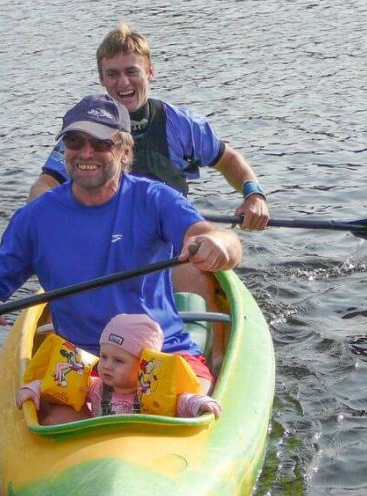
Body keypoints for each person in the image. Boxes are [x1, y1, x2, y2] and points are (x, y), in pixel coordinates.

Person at [0, 93, 242, 424]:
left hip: (164, 357)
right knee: (56, 425)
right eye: (75, 141)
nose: (86, 152)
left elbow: (223, 240)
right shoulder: (36, 217)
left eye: (101, 143)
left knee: (188, 417)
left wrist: (217, 244)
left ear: (125, 151)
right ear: (65, 151)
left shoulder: (155, 199)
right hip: (79, 363)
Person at [26, 22, 268, 329]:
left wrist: (253, 194)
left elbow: (228, 160)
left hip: (168, 240)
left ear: (149, 72)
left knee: (194, 271)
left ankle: (214, 358)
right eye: (112, 74)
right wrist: (47, 213)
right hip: (104, 240)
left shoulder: (180, 124)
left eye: (132, 71)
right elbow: (45, 185)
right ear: (102, 80)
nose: (122, 82)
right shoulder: (82, 134)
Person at [16, 313, 221, 419]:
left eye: (118, 361)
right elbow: (54, 383)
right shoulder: (95, 387)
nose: (106, 366)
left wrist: (201, 403)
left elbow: (183, 401)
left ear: (142, 364)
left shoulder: (153, 391)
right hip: (100, 449)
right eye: (103, 357)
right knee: (55, 418)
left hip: (138, 452)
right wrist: (32, 389)